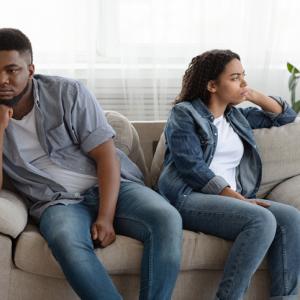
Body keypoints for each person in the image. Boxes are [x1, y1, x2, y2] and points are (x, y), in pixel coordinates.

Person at [0, 28, 182, 300]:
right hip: (56, 202)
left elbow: (106, 156)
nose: (3, 80)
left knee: (167, 218)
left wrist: (105, 217)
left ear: (30, 69)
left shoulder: (67, 92)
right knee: (66, 242)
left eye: (11, 70)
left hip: (111, 185)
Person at [158, 49, 300, 300]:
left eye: (243, 76)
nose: (243, 83)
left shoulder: (237, 117)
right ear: (212, 85)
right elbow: (192, 167)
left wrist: (252, 94)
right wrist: (238, 199)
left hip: (231, 199)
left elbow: (286, 116)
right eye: (235, 78)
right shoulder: (184, 114)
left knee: (290, 218)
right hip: (189, 196)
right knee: (261, 220)